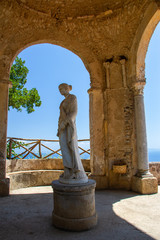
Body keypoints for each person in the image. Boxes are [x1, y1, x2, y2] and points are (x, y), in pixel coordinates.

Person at [57, 83, 88, 184]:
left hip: (69, 126)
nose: (60, 90)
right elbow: (61, 116)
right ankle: (68, 170)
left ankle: (76, 171)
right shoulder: (62, 102)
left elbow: (73, 113)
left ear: (67, 88)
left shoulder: (73, 98)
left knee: (72, 147)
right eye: (59, 89)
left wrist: (65, 123)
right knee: (64, 147)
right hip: (62, 127)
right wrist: (60, 126)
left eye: (61, 88)